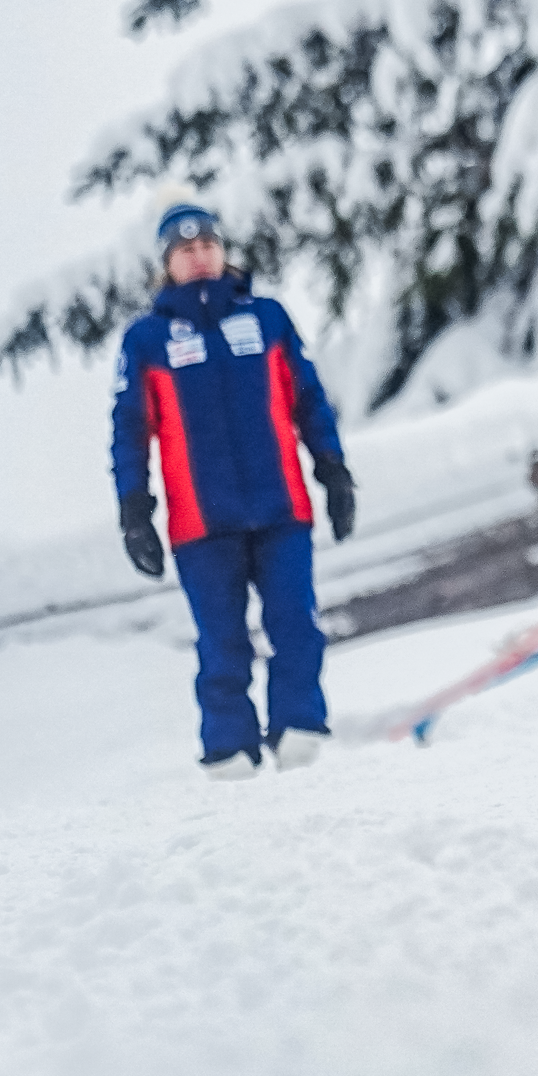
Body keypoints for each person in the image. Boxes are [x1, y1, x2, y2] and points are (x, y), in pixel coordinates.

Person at [111, 201, 357, 778]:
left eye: (208, 245)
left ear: (223, 252)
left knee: (294, 624)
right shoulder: (147, 341)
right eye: (184, 249)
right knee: (223, 645)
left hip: (281, 510)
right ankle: (230, 757)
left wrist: (333, 472)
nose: (199, 257)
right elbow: (128, 431)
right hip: (202, 525)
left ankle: (300, 736)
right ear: (166, 264)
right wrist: (134, 510)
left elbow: (308, 400)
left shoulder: (267, 319)